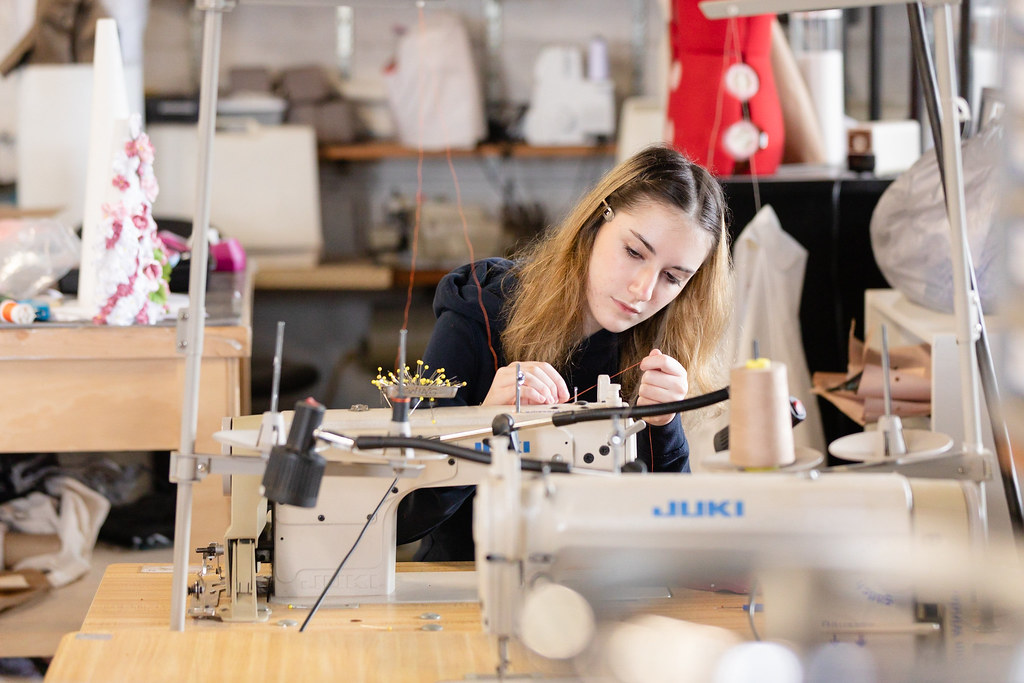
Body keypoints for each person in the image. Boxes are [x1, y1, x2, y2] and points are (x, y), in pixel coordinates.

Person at [397, 145, 733, 560]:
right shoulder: (479, 312)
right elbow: (400, 517)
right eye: (633, 252)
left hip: (594, 589)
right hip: (463, 585)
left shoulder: (656, 349)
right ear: (595, 223)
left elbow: (673, 537)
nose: (643, 291)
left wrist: (664, 427)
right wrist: (479, 430)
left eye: (672, 277)